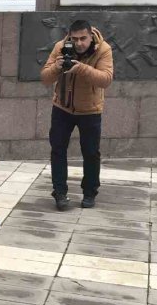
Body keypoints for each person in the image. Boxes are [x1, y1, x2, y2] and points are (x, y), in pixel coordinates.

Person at [40, 19, 114, 211]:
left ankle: (89, 192)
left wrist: (80, 67)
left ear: (91, 36)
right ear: (69, 37)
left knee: (91, 153)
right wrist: (57, 67)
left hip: (90, 109)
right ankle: (60, 192)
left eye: (83, 38)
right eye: (75, 39)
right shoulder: (61, 47)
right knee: (57, 149)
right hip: (62, 108)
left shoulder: (103, 50)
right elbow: (45, 78)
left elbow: (106, 80)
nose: (79, 43)